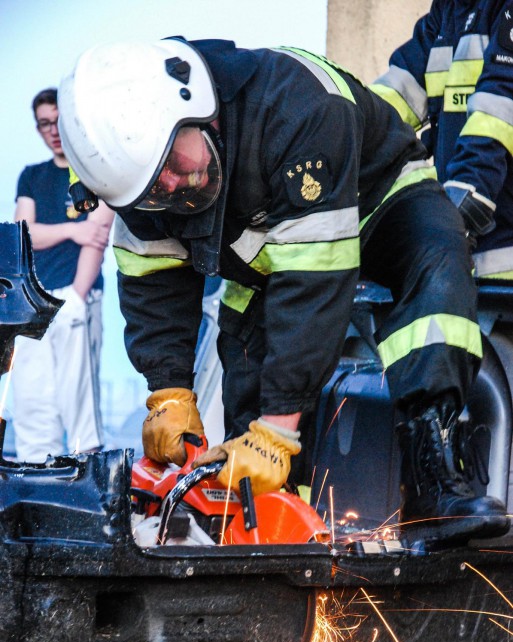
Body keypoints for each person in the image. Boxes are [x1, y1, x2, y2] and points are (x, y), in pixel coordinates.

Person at [58, 38, 510, 545]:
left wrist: (277, 430)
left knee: (437, 267)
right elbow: (153, 285)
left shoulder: (298, 108)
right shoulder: (144, 178)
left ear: (194, 110)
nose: (172, 183)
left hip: (379, 196)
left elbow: (315, 283)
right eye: (155, 188)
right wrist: (169, 393)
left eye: (172, 164)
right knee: (247, 369)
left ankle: (436, 474)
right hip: (268, 239)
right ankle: (272, 527)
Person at [372, 0, 513, 278]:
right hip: (462, 248)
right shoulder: (446, 14)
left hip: (503, 254)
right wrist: (339, 129)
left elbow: (501, 105)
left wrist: (466, 194)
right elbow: (393, 97)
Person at [12, 88, 113, 462]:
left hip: (77, 298)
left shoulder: (93, 173)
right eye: (44, 124)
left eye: (58, 121)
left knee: (79, 398)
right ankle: (36, 479)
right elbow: (23, 234)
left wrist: (77, 297)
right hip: (35, 303)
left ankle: (88, 475)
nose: (52, 130)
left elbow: (98, 236)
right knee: (32, 398)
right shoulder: (32, 176)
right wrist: (72, 229)